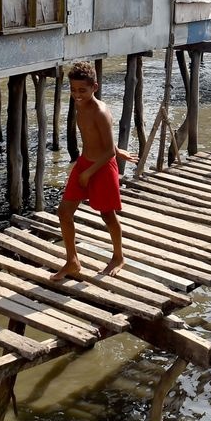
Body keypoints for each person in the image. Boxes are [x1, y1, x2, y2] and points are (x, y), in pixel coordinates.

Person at [53, 61, 135, 280]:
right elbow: (99, 138)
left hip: (101, 168)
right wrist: (118, 150)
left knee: (107, 215)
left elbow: (107, 151)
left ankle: (118, 257)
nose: (77, 94)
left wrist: (92, 171)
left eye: (83, 90)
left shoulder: (100, 111)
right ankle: (72, 261)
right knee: (64, 212)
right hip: (85, 163)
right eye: (73, 90)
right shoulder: (80, 105)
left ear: (94, 88)